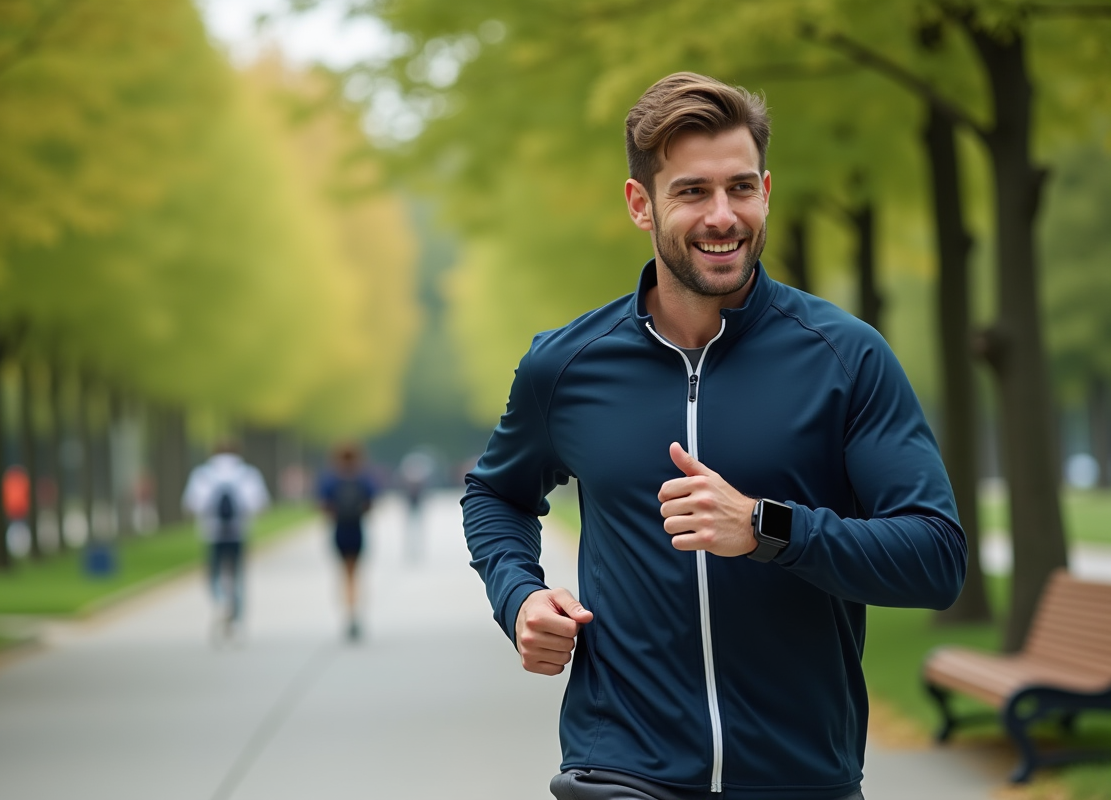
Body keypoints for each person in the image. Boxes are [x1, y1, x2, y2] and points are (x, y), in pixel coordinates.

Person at [461, 72, 967, 800]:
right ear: (643, 204)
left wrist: (766, 527)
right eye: (693, 191)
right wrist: (519, 599)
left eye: (740, 188)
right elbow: (496, 493)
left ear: (766, 189)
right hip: (620, 767)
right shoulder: (565, 367)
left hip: (800, 776)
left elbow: (935, 557)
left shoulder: (845, 358)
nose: (722, 216)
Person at [182, 440, 270, 643]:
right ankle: (236, 619)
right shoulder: (247, 473)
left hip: (211, 532)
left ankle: (221, 600)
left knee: (213, 574)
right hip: (239, 531)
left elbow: (192, 503)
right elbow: (259, 503)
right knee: (237, 576)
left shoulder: (203, 474)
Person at [317, 442, 378, 641]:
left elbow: (323, 506)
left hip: (339, 531)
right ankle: (354, 611)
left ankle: (347, 611)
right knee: (355, 574)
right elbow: (371, 504)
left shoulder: (331, 480)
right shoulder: (362, 479)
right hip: (357, 530)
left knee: (344, 574)